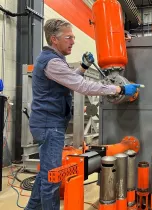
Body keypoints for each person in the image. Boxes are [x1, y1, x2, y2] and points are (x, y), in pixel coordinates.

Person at [25, 18, 142, 210]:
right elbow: (81, 86)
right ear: (54, 39)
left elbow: (71, 80)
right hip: (49, 126)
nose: (72, 41)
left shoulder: (54, 60)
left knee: (45, 173)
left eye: (73, 37)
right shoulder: (52, 62)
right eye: (68, 37)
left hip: (50, 124)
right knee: (52, 178)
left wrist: (84, 67)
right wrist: (119, 90)